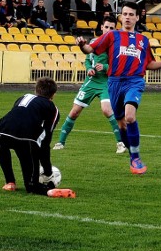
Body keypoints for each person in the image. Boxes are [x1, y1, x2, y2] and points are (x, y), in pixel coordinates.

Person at [76, 1, 161, 175]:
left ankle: (136, 158)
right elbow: (90, 48)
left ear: (137, 17)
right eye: (125, 14)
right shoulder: (112, 35)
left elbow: (149, 63)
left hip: (134, 81)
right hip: (114, 82)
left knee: (130, 116)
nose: (127, 17)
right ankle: (131, 154)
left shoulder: (143, 40)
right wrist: (82, 45)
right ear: (121, 16)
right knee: (121, 123)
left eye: (131, 14)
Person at [53, 16, 127, 154]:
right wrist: (89, 69)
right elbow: (88, 59)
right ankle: (60, 142)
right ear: (101, 27)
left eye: (112, 28)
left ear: (115, 30)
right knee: (74, 111)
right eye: (106, 27)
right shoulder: (94, 42)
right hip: (91, 82)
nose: (108, 30)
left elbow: (119, 67)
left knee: (106, 110)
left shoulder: (116, 47)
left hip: (107, 82)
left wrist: (104, 67)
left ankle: (121, 143)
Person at [0, 77, 74, 198]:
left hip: (1, 131)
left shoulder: (23, 97)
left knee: (4, 147)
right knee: (31, 186)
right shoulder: (53, 108)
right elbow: (45, 141)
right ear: (53, 94)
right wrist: (47, 171)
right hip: (26, 138)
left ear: (36, 90)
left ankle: (10, 182)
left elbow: (16, 117)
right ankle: (50, 190)